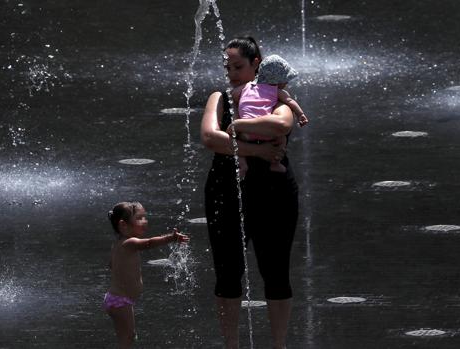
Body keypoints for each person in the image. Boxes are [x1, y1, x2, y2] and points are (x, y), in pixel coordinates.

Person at [200, 36, 303, 349]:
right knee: (227, 272)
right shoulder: (219, 97)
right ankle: (231, 344)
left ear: (256, 63)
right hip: (226, 189)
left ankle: (279, 345)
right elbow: (209, 137)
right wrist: (254, 152)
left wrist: (240, 133)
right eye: (227, 67)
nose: (231, 72)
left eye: (238, 66)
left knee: (276, 270)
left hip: (274, 191)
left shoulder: (276, 94)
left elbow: (281, 126)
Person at [105, 201, 189, 348]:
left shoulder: (119, 244)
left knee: (125, 337)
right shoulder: (129, 243)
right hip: (120, 301)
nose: (144, 221)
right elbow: (149, 243)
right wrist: (170, 238)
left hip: (118, 299)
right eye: (139, 218)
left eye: (145, 217)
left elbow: (111, 265)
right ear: (123, 225)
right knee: (129, 337)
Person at [231, 54, 309, 177]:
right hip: (267, 132)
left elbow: (233, 96)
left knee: (236, 140)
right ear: (277, 81)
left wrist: (240, 104)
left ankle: (242, 164)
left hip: (246, 132)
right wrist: (301, 114)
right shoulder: (276, 91)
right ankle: (275, 163)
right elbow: (290, 101)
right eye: (285, 80)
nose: (287, 82)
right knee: (282, 138)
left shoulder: (247, 87)